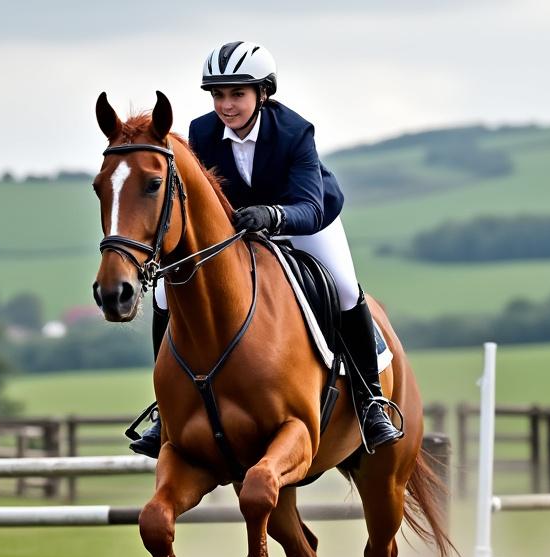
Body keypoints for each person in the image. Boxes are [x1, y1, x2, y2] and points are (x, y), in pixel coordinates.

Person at [128, 41, 403, 458]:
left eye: (237, 93)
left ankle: (370, 402)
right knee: (167, 291)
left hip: (304, 221)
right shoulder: (201, 133)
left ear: (263, 93)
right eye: (218, 94)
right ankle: (166, 412)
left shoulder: (295, 132)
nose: (226, 105)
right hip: (237, 230)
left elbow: (310, 206)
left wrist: (273, 216)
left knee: (346, 288)